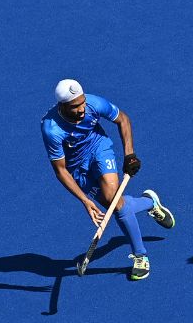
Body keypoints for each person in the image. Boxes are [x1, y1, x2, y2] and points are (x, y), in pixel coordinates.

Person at [41, 79, 174, 281]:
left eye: (82, 102)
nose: (81, 109)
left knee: (114, 199)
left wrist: (129, 155)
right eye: (75, 106)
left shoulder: (94, 104)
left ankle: (140, 256)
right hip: (76, 169)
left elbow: (123, 120)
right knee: (117, 206)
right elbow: (60, 171)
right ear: (63, 105)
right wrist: (85, 201)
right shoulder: (52, 129)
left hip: (99, 149)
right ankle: (149, 202)